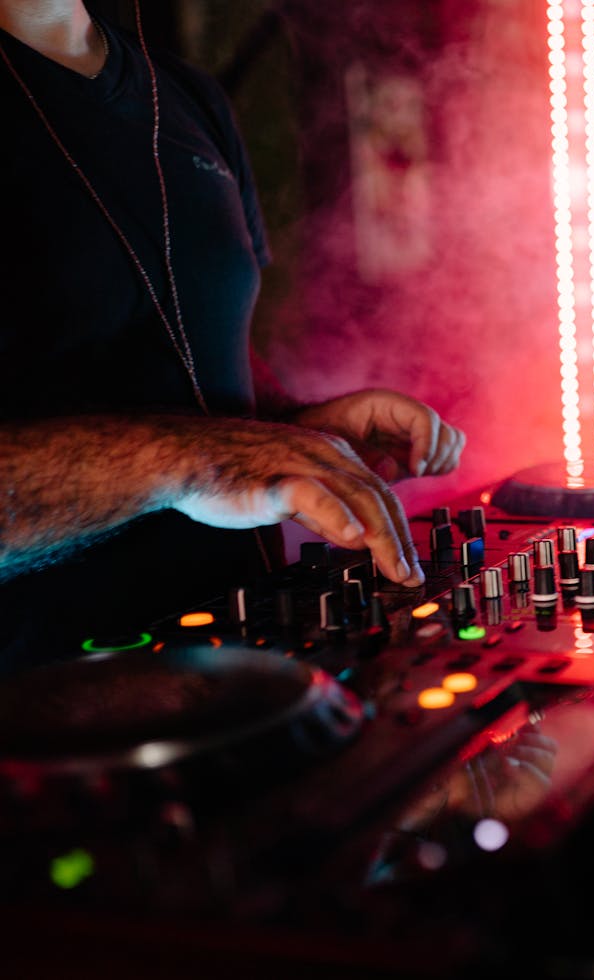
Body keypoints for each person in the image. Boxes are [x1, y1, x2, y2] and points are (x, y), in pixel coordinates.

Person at [0, 0, 464, 671]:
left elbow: (197, 339)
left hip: (249, 676)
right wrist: (189, 458)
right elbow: (197, 451)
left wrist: (293, 426)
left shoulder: (187, 96)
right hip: (45, 725)